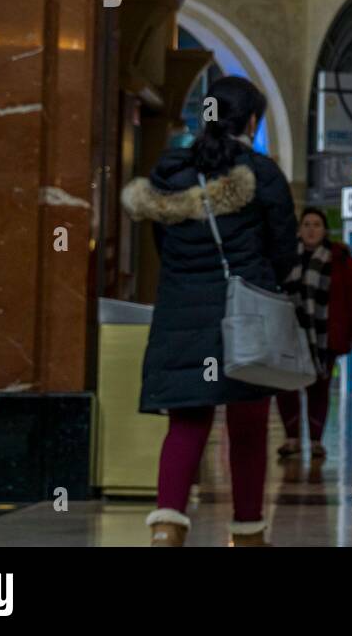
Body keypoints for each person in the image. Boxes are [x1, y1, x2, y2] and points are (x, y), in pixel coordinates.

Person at [122, 76, 299, 547]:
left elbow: (164, 243)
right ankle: (247, 532)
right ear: (253, 121)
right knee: (248, 422)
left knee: (187, 420)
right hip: (247, 313)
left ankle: (166, 527)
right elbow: (285, 250)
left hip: (182, 311)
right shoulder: (263, 174)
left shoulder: (170, 171)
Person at [274, 208, 352, 458]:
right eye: (306, 224)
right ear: (299, 229)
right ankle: (291, 438)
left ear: (325, 230)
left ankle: (316, 440)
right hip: (289, 335)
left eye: (316, 224)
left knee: (319, 388)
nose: (311, 229)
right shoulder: (288, 257)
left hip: (325, 336)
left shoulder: (339, 257)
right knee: (286, 387)